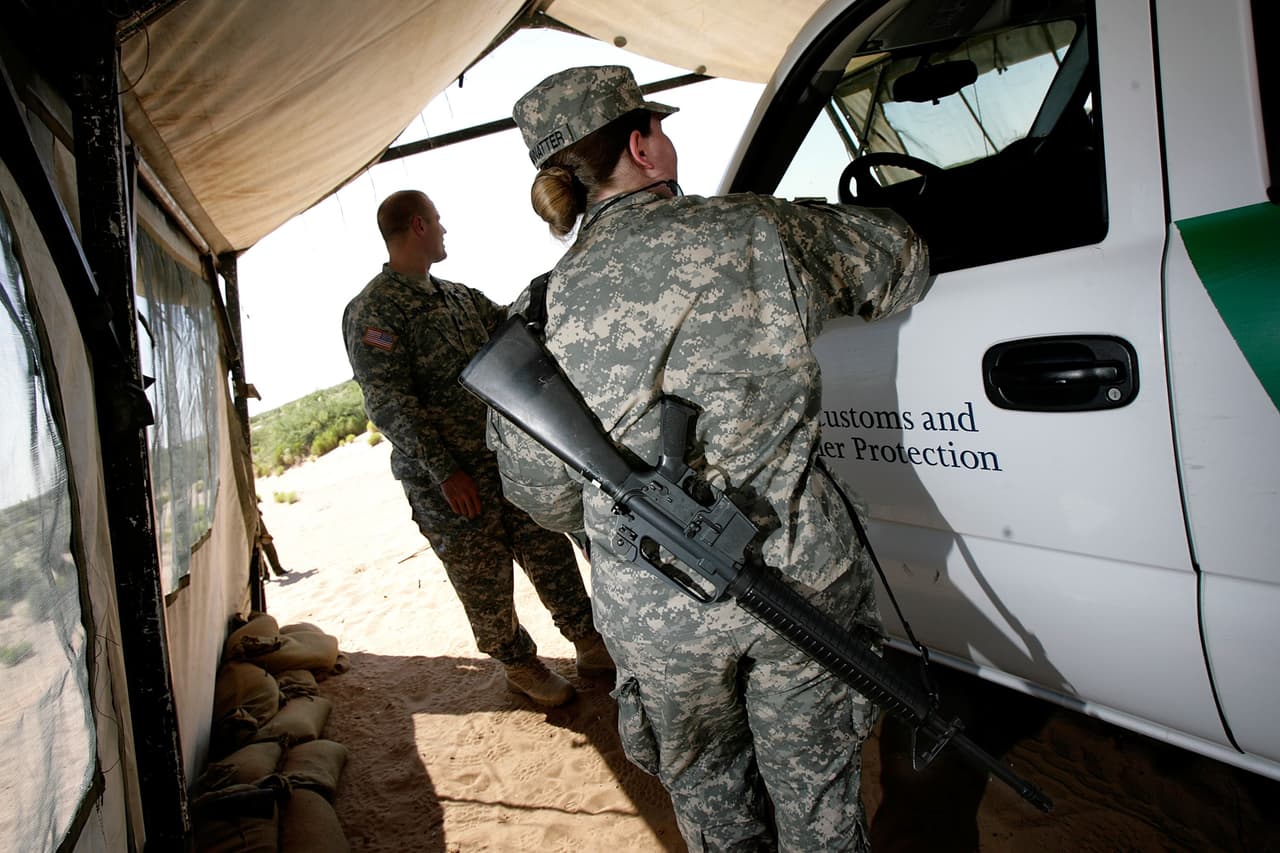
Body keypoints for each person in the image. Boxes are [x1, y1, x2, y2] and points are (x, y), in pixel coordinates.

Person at [489, 66, 930, 849]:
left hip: (656, 618)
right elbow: (903, 259)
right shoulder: (753, 229)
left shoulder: (538, 312)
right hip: (797, 584)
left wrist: (625, 503)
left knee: (716, 817)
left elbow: (539, 491)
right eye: (657, 127)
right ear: (641, 146)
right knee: (820, 813)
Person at [341, 189, 613, 707]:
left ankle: (587, 639)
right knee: (483, 577)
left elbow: (510, 325)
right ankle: (519, 665)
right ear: (418, 226)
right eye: (438, 220)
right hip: (450, 482)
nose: (445, 230)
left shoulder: (457, 297)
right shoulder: (374, 311)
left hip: (501, 462)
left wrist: (554, 288)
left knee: (547, 551)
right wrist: (445, 472)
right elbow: (389, 404)